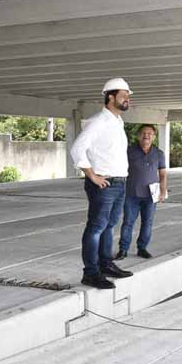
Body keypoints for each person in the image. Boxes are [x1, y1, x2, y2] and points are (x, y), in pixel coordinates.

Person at [68, 77, 135, 289]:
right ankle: (90, 273)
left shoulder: (117, 121)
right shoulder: (99, 121)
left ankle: (105, 264)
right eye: (124, 96)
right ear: (110, 97)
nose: (127, 100)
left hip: (119, 182)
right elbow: (77, 148)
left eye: (128, 96)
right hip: (103, 184)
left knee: (109, 226)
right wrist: (92, 175)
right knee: (96, 227)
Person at [116, 124, 168, 261]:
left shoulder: (159, 154)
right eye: (144, 133)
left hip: (151, 195)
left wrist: (163, 190)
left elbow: (162, 174)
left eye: (150, 133)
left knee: (147, 222)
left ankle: (142, 248)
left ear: (154, 137)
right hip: (131, 194)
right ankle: (123, 250)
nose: (147, 135)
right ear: (138, 135)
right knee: (128, 222)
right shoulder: (128, 151)